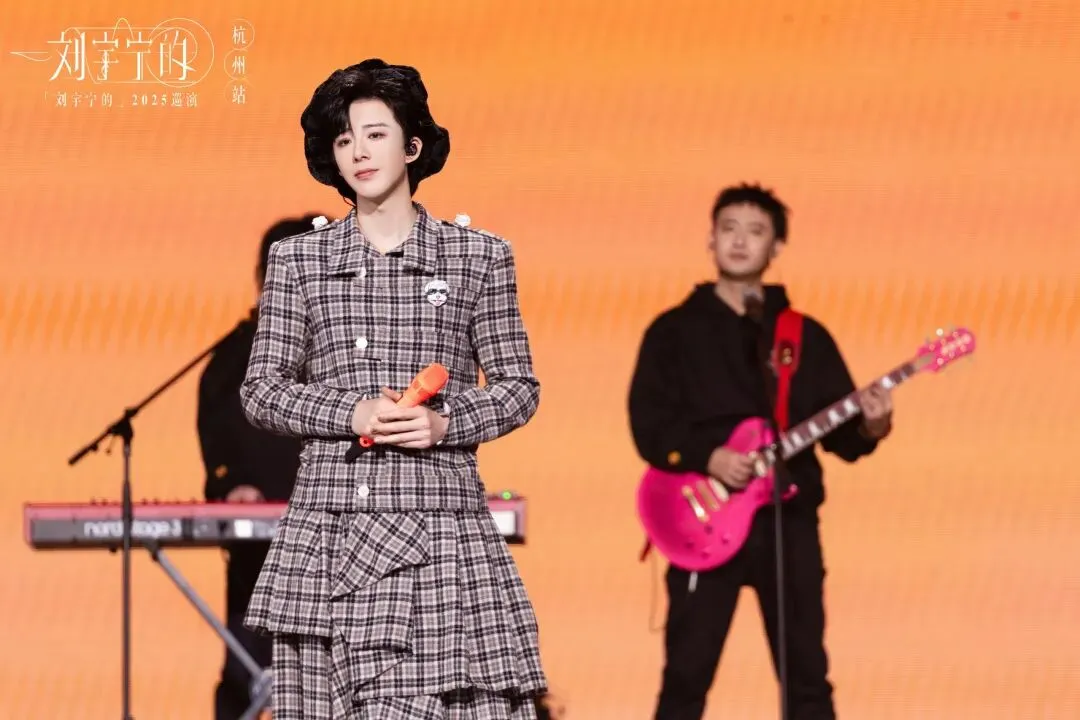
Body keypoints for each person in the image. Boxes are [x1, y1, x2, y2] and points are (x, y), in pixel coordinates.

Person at [239, 59, 547, 718]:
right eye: (344, 139)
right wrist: (350, 411)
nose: (358, 151)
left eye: (375, 134)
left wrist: (446, 422)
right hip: (329, 530)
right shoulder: (298, 260)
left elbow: (519, 386)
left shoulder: (478, 257)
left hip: (438, 526)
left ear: (412, 145)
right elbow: (261, 390)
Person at [628, 183, 895, 720]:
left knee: (807, 680)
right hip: (701, 517)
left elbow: (844, 440)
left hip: (786, 524)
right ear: (710, 239)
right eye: (728, 228)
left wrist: (874, 423)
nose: (740, 241)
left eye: (756, 231)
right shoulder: (673, 332)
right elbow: (648, 424)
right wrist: (709, 457)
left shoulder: (802, 336)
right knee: (685, 678)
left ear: (777, 247)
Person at [197, 214, 322, 719]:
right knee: (247, 674)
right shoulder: (236, 357)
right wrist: (232, 487)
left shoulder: (356, 350)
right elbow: (217, 437)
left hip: (349, 548)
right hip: (261, 559)